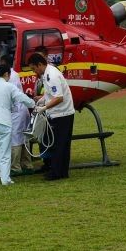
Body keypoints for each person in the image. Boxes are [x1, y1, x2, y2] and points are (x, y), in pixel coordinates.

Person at [0, 64, 36, 185]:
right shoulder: (9, 86)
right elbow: (22, 98)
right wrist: (33, 104)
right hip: (3, 121)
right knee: (4, 152)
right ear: (7, 74)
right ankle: (5, 179)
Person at [27, 53, 75, 181]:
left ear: (40, 65)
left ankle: (56, 172)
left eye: (34, 68)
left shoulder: (51, 75)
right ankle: (62, 172)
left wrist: (44, 107)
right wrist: (42, 99)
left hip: (61, 114)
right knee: (62, 144)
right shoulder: (48, 73)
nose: (34, 72)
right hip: (62, 112)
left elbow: (59, 97)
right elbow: (51, 93)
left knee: (58, 144)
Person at [0, 54, 33, 175]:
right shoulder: (16, 74)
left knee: (15, 139)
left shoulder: (8, 77)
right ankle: (27, 164)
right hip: (22, 110)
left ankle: (15, 167)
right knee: (25, 138)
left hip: (16, 111)